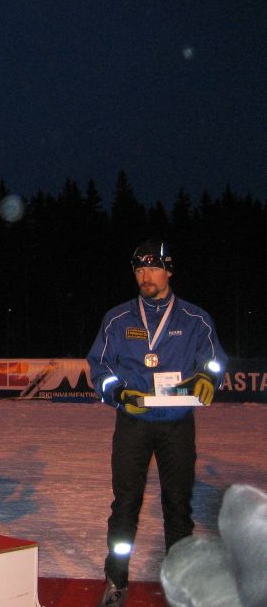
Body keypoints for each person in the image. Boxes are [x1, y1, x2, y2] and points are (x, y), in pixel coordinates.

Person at [87, 240, 227, 607]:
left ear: (169, 271)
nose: (145, 276)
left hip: (177, 424)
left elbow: (214, 360)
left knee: (178, 507)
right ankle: (116, 580)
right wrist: (119, 393)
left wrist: (208, 378)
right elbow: (99, 367)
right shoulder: (117, 319)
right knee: (125, 505)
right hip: (133, 423)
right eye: (139, 270)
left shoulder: (195, 319)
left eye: (152, 268)